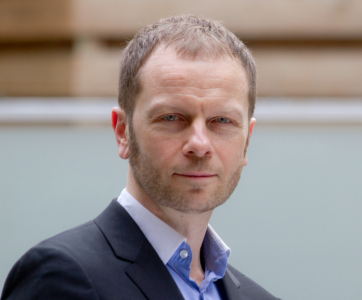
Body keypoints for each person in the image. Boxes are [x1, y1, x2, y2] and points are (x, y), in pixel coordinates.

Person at [1, 15, 281, 300]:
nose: (199, 145)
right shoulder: (59, 278)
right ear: (123, 132)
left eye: (222, 120)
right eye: (171, 117)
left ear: (247, 140)